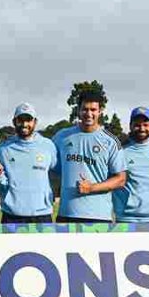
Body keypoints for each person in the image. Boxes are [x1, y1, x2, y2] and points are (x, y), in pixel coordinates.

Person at [52, 91, 126, 223]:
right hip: (66, 214)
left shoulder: (110, 141)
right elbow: (51, 168)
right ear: (78, 110)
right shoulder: (61, 137)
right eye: (85, 109)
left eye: (93, 109)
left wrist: (91, 188)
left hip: (98, 217)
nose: (89, 114)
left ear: (100, 111)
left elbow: (120, 179)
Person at [0, 103, 58, 223]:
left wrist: (48, 194)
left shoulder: (48, 145)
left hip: (42, 215)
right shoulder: (2, 148)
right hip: (11, 215)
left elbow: (56, 172)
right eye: (20, 120)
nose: (24, 124)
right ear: (14, 122)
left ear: (35, 121)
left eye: (28, 120)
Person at [113, 107, 149, 223]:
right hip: (127, 218)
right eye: (137, 125)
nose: (142, 128)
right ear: (130, 126)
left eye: (145, 124)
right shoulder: (119, 150)